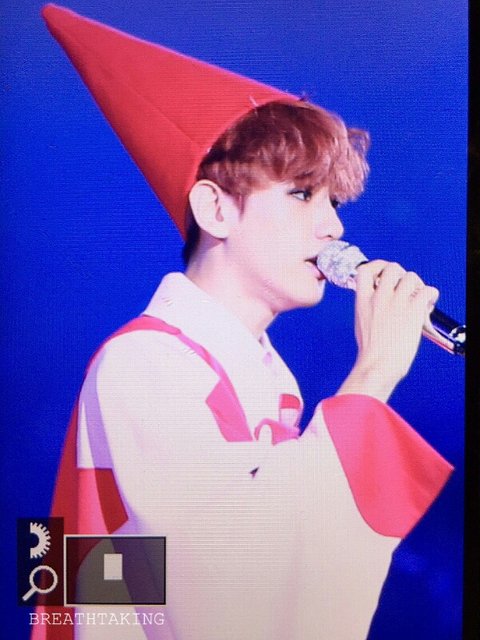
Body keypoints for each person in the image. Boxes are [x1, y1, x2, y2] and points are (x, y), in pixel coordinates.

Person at [34, 5, 453, 640]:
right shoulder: (142, 363)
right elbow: (222, 599)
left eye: (333, 200)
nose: (334, 226)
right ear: (216, 210)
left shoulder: (260, 375)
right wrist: (372, 376)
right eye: (302, 194)